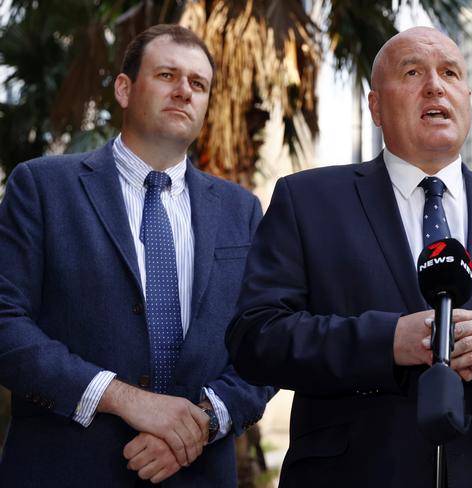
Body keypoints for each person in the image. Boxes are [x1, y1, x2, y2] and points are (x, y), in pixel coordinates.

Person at [226, 26, 472, 488]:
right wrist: (388, 340)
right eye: (413, 72)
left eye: (450, 73)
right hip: (351, 474)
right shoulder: (307, 200)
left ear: (468, 97)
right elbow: (256, 336)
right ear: (375, 106)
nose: (435, 85)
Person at [0, 24, 272, 487]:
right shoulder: (43, 188)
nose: (184, 91)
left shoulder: (241, 210)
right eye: (167, 75)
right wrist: (124, 398)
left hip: (198, 473)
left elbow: (265, 338)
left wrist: (199, 426)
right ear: (124, 89)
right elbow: (5, 321)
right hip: (65, 470)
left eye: (198, 83)